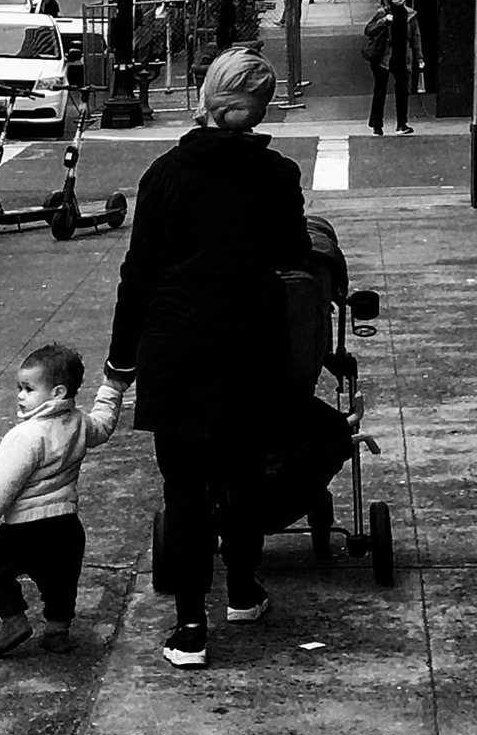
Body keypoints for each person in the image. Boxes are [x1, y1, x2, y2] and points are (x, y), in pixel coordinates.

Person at [101, 47, 323, 669]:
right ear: (262, 107)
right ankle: (245, 589)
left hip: (176, 348)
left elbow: (137, 275)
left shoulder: (166, 175)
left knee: (186, 490)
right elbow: (294, 256)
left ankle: (191, 626)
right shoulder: (276, 175)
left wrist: (121, 365)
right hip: (251, 345)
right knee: (245, 476)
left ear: (205, 98)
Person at [0, 341, 123, 657]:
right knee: (61, 582)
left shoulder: (25, 437)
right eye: (19, 388)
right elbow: (103, 426)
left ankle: (13, 620)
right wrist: (112, 390)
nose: (20, 395)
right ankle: (57, 632)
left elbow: (2, 486)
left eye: (28, 388)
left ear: (58, 393)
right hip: (65, 524)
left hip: (24, 526)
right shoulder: (79, 422)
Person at [365, 0, 425, 135]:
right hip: (383, 58)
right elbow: (368, 30)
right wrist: (383, 21)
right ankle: (377, 125)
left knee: (403, 90)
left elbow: (415, 38)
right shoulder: (382, 13)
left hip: (402, 58)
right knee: (380, 90)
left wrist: (419, 57)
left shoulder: (411, 15)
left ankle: (402, 124)